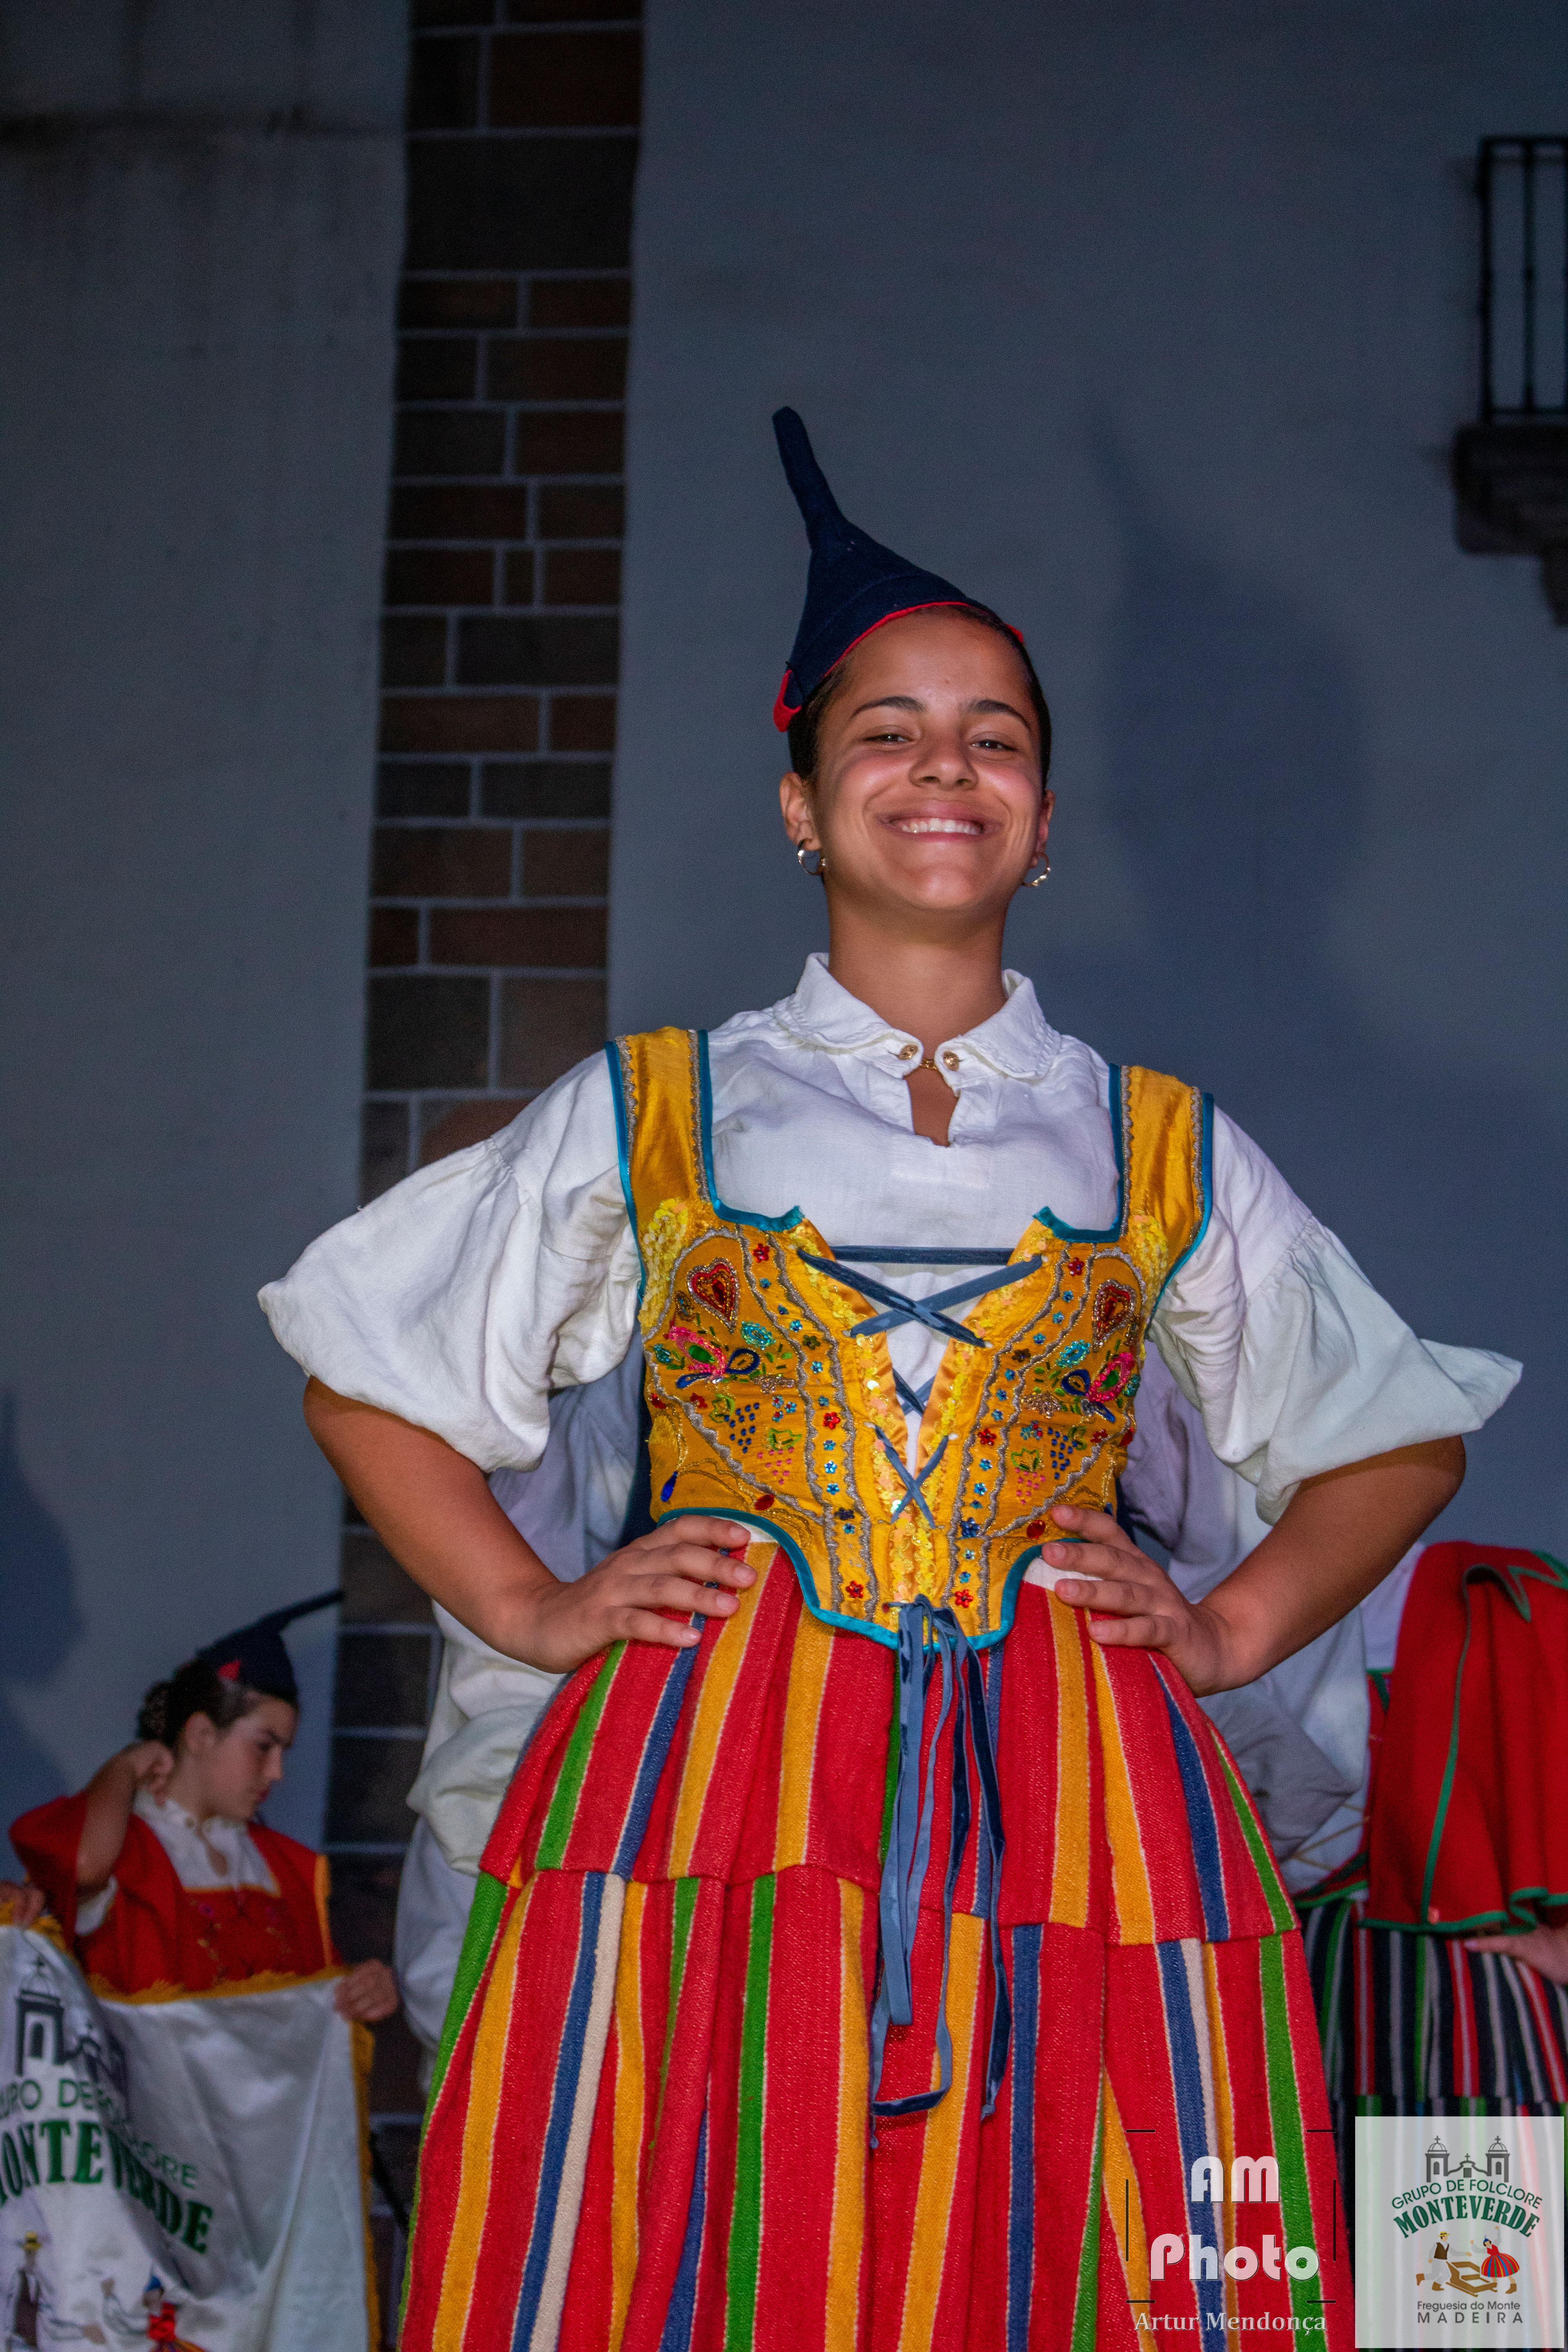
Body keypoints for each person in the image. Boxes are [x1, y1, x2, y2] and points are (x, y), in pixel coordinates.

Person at [260, 411, 1518, 2351]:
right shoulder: (652, 1108)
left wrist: (1224, 1629)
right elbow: (369, 1373)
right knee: (692, 2226)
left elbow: (1395, 1437)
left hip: (1084, 1790)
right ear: (800, 803)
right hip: (709, 1774)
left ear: (1042, 814)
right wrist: (526, 1602)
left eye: (992, 735)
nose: (943, 765)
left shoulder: (1154, 1140)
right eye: (887, 731)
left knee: (1135, 2233)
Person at [10, 1598, 396, 2018]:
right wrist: (125, 1766)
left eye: (283, 1752)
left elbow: (306, 2013)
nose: (277, 1773)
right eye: (263, 1747)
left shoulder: (290, 1869)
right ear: (200, 1734)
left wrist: (362, 1990)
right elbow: (84, 1866)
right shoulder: (121, 1844)